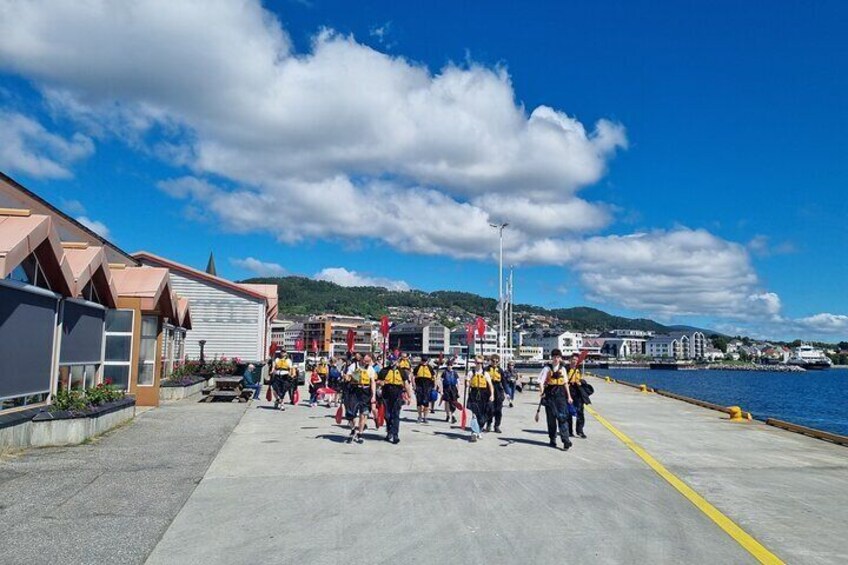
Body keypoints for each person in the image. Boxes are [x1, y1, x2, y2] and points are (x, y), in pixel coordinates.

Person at [538, 348, 573, 450]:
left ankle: (565, 440)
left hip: (561, 394)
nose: (556, 359)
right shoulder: (547, 369)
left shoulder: (563, 369)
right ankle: (552, 439)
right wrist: (542, 393)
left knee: (563, 418)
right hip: (550, 394)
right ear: (552, 358)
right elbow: (540, 381)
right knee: (551, 419)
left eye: (558, 357)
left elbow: (566, 383)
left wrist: (569, 396)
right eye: (554, 357)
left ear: (560, 358)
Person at [377, 356, 413, 444]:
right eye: (391, 360)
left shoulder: (402, 372)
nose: (392, 362)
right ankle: (389, 431)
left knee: (396, 415)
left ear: (397, 361)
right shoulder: (384, 371)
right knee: (387, 415)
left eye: (394, 360)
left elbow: (406, 384)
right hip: (386, 394)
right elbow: (377, 381)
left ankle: (395, 435)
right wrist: (380, 383)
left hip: (397, 394)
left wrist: (409, 396)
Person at [343, 353, 377, 444]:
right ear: (361, 359)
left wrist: (373, 396)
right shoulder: (353, 366)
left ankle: (360, 434)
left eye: (368, 361)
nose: (366, 363)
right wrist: (346, 377)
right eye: (365, 361)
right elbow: (348, 377)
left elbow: (373, 382)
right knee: (351, 414)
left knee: (363, 414)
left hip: (365, 392)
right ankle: (353, 429)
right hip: (354, 391)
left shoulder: (370, 369)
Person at [465, 356, 494, 442]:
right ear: (475, 363)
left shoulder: (486, 373)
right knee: (474, 414)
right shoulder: (471, 372)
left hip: (484, 395)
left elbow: (490, 385)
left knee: (482, 416)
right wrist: (467, 383)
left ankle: (479, 430)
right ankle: (474, 432)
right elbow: (467, 381)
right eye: (477, 363)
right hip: (474, 394)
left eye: (481, 363)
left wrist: (492, 395)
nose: (479, 365)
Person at [567, 353, 588, 439]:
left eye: (576, 360)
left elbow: (580, 379)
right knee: (568, 412)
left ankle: (580, 431)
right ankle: (569, 431)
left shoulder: (578, 369)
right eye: (573, 359)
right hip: (569, 391)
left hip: (578, 391)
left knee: (580, 412)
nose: (575, 361)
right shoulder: (566, 369)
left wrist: (581, 382)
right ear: (570, 360)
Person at [485, 354, 505, 433]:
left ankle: (497, 426)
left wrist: (507, 393)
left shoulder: (500, 370)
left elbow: (504, 382)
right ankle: (489, 424)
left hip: (498, 391)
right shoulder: (486, 369)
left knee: (498, 410)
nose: (495, 363)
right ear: (491, 361)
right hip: (489, 390)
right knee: (490, 409)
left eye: (497, 361)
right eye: (493, 361)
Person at [413, 356, 436, 423]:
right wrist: (414, 385)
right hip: (419, 386)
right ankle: (420, 416)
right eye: (423, 360)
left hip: (428, 386)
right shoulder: (417, 367)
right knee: (419, 402)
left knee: (426, 403)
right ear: (421, 360)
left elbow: (434, 377)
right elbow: (413, 376)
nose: (424, 362)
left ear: (427, 361)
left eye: (425, 361)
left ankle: (425, 417)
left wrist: (434, 386)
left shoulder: (430, 367)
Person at [439, 358, 460, 424]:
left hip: (453, 389)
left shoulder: (455, 373)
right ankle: (448, 415)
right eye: (448, 365)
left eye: (450, 365)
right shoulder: (444, 373)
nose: (449, 366)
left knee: (454, 402)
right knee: (447, 402)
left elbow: (458, 382)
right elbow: (441, 382)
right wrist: (441, 390)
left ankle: (453, 415)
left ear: (452, 365)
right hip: (446, 388)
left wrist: (458, 391)